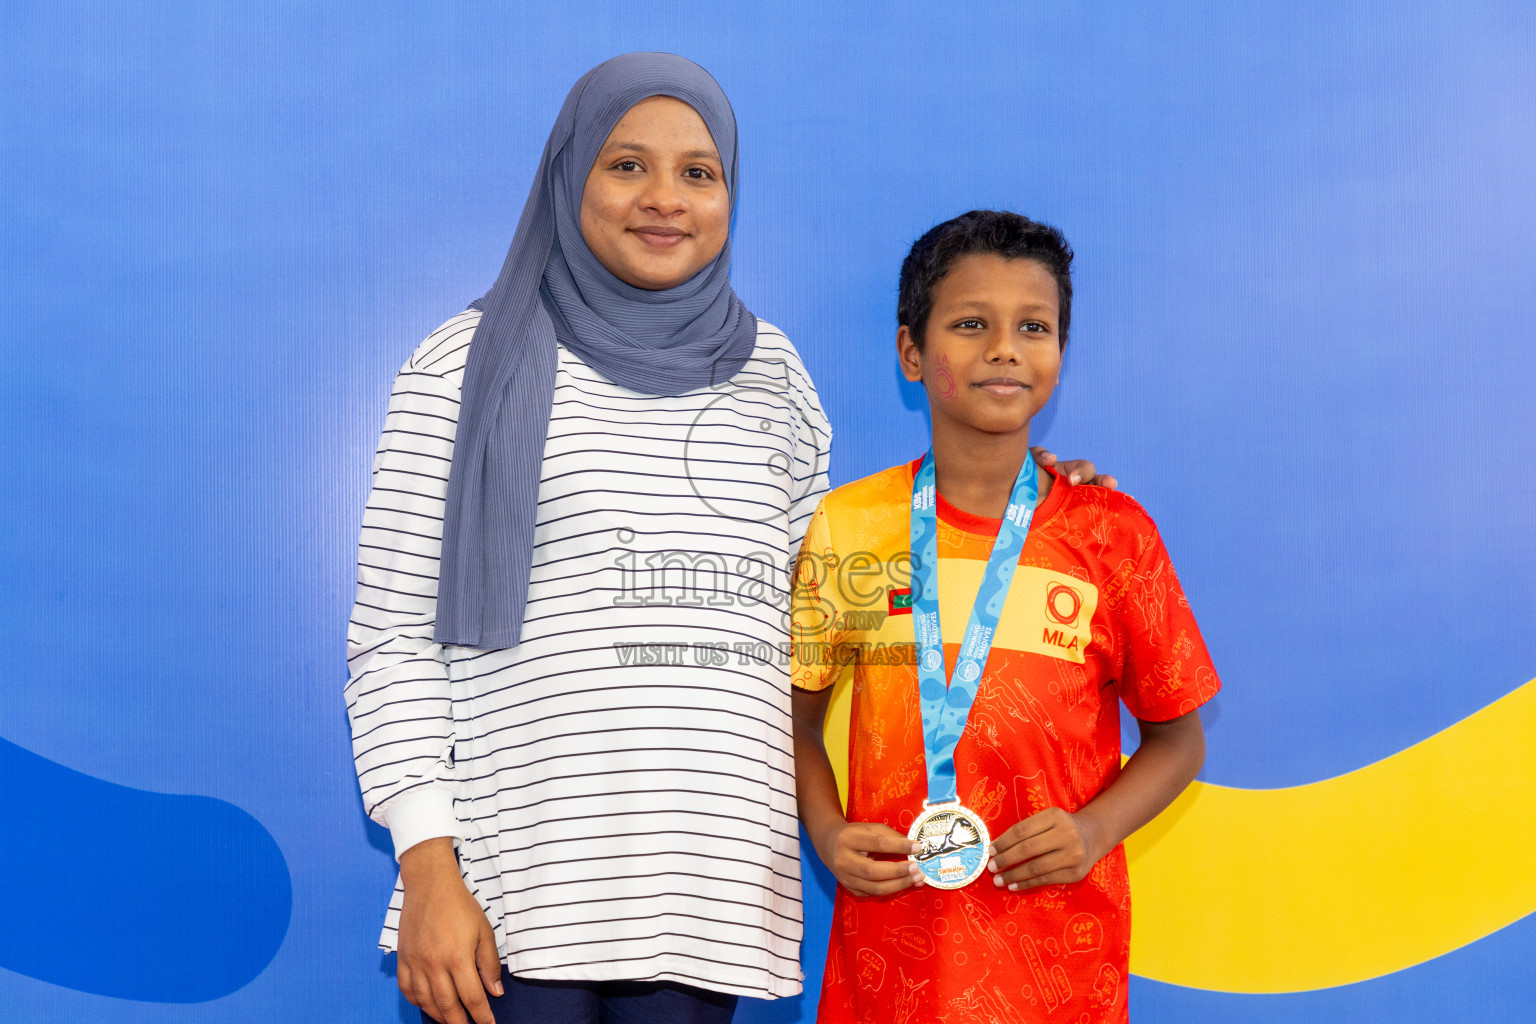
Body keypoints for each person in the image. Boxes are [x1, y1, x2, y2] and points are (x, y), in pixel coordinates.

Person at [347, 54, 1112, 1024]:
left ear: (730, 194)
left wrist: (1031, 495)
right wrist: (427, 861)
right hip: (513, 898)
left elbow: (822, 616)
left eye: (698, 172)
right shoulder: (464, 365)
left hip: (707, 898)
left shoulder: (774, 377)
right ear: (568, 173)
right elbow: (396, 638)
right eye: (628, 165)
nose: (665, 198)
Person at [790, 211, 1217, 1023]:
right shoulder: (853, 526)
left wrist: (1092, 832)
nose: (1004, 348)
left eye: (1034, 326)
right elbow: (798, 719)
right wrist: (828, 828)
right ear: (912, 352)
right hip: (890, 959)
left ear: (1060, 350)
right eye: (970, 324)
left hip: (1059, 961)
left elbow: (1179, 738)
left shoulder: (1112, 534)